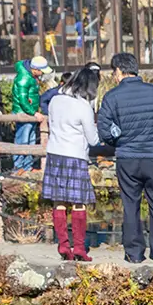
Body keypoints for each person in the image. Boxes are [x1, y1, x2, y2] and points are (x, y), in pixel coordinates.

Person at [97, 52, 153, 264]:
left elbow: (104, 130)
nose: (114, 76)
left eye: (114, 72)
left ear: (119, 71)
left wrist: (118, 142)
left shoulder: (111, 97)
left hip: (127, 157)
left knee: (131, 205)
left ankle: (134, 254)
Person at [43, 64, 100, 262]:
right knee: (79, 204)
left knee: (59, 203)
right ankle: (79, 249)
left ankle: (63, 246)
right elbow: (93, 140)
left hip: (54, 154)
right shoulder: (83, 106)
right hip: (75, 156)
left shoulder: (55, 100)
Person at [12, 54, 50, 172]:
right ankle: (19, 166)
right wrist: (34, 113)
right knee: (22, 140)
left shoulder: (32, 77)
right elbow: (23, 100)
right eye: (41, 71)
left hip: (31, 113)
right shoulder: (24, 78)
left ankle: (28, 166)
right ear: (35, 69)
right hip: (24, 113)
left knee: (31, 140)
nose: (43, 74)